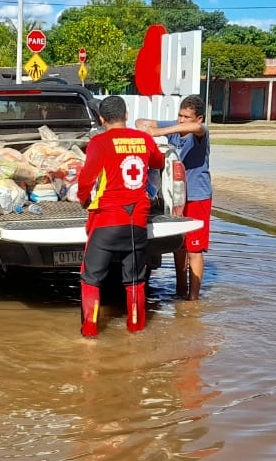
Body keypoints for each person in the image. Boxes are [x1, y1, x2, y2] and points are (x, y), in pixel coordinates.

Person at [77, 96, 165, 337]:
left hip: (107, 220)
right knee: (135, 281)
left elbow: (86, 179)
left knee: (91, 279)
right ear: (126, 116)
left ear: (101, 119)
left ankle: (90, 334)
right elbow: (159, 161)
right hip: (137, 220)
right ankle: (136, 331)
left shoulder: (99, 142)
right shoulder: (144, 139)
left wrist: (83, 200)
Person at [135, 95, 211, 301]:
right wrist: (146, 128)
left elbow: (197, 129)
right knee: (180, 245)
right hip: (178, 197)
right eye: (179, 115)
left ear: (199, 118)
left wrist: (159, 132)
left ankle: (193, 298)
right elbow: (141, 122)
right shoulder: (177, 126)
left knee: (194, 249)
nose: (181, 120)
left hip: (197, 196)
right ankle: (180, 290)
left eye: (186, 117)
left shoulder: (201, 133)